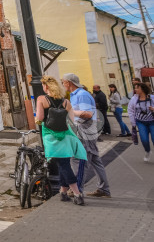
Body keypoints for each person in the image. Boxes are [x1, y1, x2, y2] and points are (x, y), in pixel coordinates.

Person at [35, 75, 87, 205]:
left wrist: (37, 120)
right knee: (63, 163)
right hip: (65, 135)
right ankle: (63, 192)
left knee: (63, 165)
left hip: (50, 136)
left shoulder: (41, 99)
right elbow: (71, 121)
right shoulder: (65, 102)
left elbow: (40, 117)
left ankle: (77, 193)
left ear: (46, 86)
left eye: (43, 85)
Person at [62, 73, 111, 198]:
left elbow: (87, 114)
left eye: (63, 82)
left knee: (80, 159)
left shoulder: (81, 95)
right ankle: (104, 189)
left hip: (86, 130)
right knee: (95, 160)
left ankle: (77, 190)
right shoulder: (75, 95)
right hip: (87, 129)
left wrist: (69, 111)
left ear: (69, 82)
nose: (63, 84)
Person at [128, 81, 154, 162]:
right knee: (144, 140)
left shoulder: (152, 98)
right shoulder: (134, 99)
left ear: (142, 89)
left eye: (137, 88)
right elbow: (130, 111)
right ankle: (148, 151)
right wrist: (133, 123)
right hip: (141, 122)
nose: (135, 89)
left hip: (152, 121)